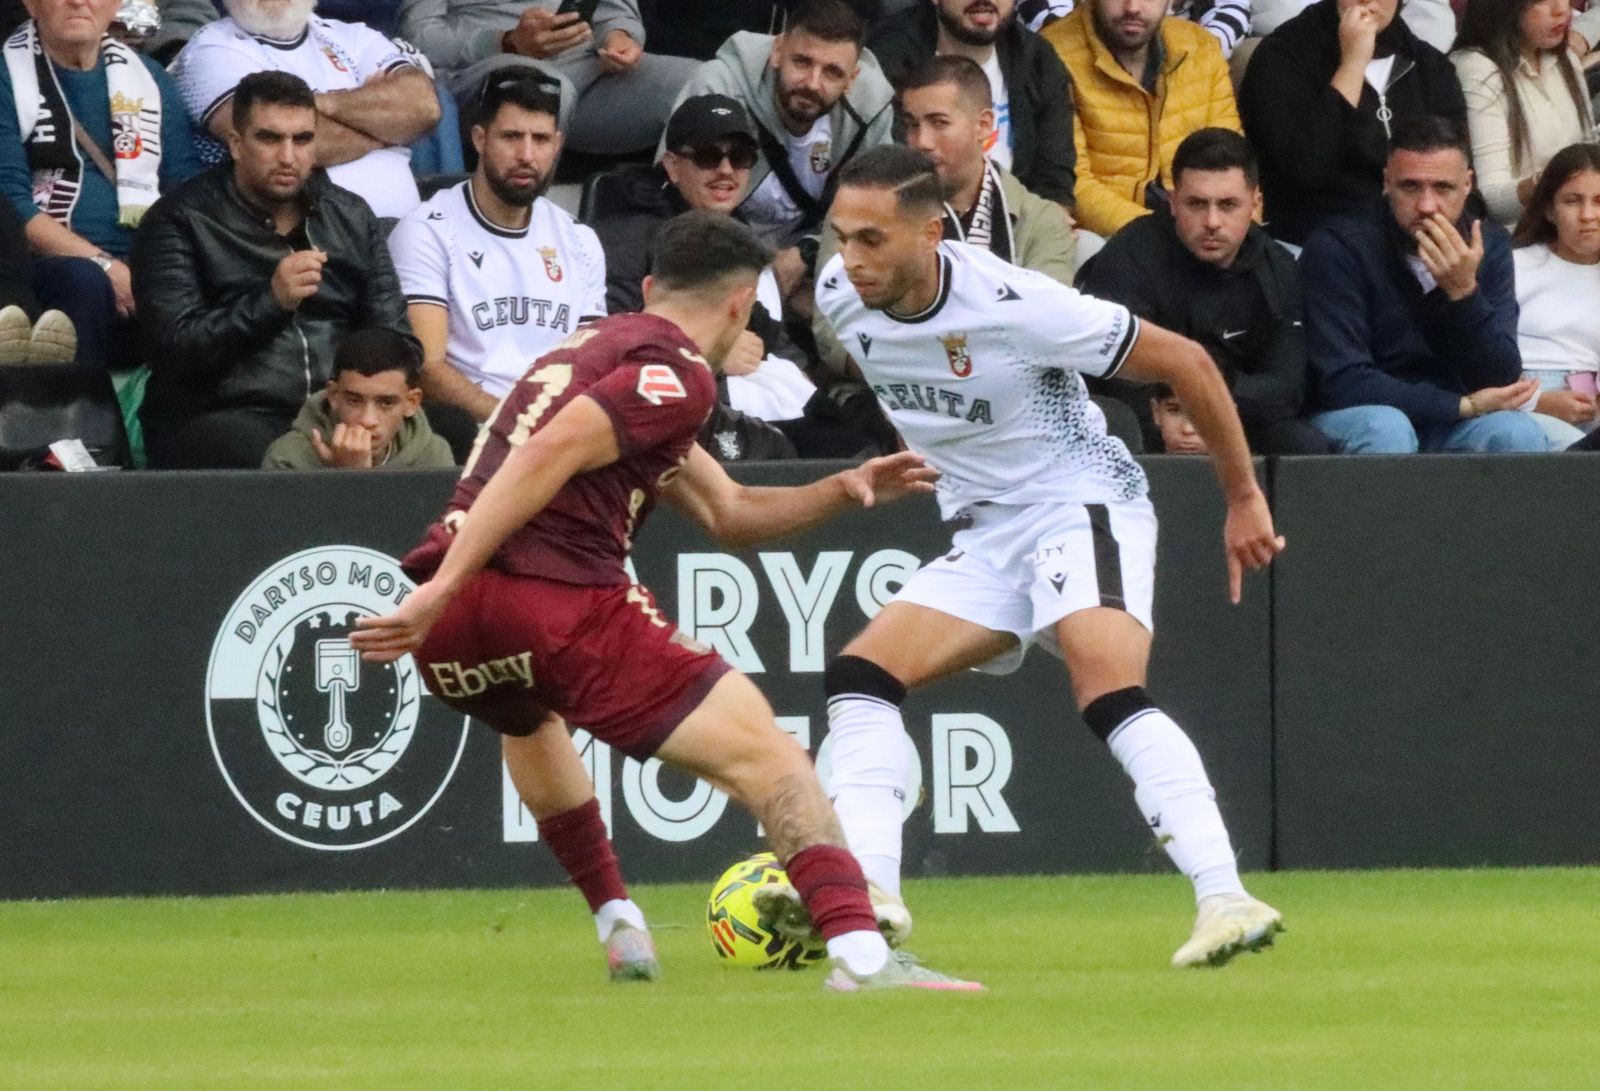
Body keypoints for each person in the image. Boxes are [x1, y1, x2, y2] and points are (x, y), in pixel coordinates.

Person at [348, 210, 980, 993]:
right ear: (742, 305)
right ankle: (862, 955)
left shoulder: (589, 352)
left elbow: (729, 514)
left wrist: (841, 491)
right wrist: (443, 583)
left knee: (527, 714)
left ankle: (618, 921)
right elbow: (553, 450)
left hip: (456, 630)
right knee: (775, 762)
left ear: (649, 289)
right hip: (544, 597)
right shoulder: (680, 372)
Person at [807, 145, 1286, 969]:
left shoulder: (1015, 302)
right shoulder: (839, 296)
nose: (850, 259)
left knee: (1104, 687)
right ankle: (873, 899)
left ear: (931, 234)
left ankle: (1226, 895)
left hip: (1079, 499)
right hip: (987, 528)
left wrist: (1241, 496)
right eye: (841, 237)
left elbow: (1187, 361)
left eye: (872, 240)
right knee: (860, 677)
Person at [133, 71, 415, 469]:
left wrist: (367, 411)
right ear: (235, 143)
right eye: (269, 138)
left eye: (302, 139)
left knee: (454, 430)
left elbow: (396, 337)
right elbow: (174, 350)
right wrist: (271, 302)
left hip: (339, 409)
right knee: (250, 446)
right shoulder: (180, 220)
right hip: (225, 415)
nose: (288, 156)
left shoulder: (351, 216)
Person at [386, 71, 606, 460]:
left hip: (558, 435)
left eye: (540, 140)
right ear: (479, 139)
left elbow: (589, 364)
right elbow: (428, 369)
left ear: (557, 145)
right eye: (511, 137)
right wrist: (519, 421)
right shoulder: (426, 231)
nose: (526, 155)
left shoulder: (579, 240)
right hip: (470, 431)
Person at [1299, 115, 1547, 453]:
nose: (1427, 206)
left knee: (1517, 433)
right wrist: (1461, 406)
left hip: (1455, 421)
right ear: (1387, 182)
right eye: (1410, 187)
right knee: (1388, 429)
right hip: (1362, 415)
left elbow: (1501, 376)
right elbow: (1341, 381)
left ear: (1467, 185)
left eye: (1442, 187)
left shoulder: (1490, 244)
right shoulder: (1338, 246)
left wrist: (1464, 294)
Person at [1078, 128, 1333, 454]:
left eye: (1228, 204)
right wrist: (1186, 416)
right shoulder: (1129, 257)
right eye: (1197, 204)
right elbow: (1122, 382)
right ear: (1172, 203)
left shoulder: (1277, 266)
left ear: (1256, 204)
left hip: (1237, 421)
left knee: (1302, 444)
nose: (1212, 221)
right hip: (1151, 429)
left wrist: (1206, 405)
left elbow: (1287, 389)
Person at [590, 94, 817, 434]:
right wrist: (708, 352)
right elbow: (610, 339)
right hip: (667, 411)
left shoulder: (747, 243)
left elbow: (775, 340)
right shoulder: (625, 238)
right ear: (672, 165)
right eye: (708, 156)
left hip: (750, 410)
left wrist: (797, 371)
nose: (725, 170)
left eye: (739, 157)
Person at [0, 0, 201, 373]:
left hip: (148, 263)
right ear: (30, 4)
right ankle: (73, 424)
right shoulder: (6, 76)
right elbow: (10, 204)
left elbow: (186, 193)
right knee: (83, 281)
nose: (79, 2)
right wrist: (106, 267)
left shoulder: (150, 80)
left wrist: (161, 271)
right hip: (47, 268)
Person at [665, 0, 894, 261]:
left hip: (811, 261)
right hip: (712, 249)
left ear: (852, 79)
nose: (812, 83)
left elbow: (872, 209)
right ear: (777, 51)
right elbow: (674, 190)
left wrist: (806, 256)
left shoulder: (870, 110)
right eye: (802, 62)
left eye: (832, 72)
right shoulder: (720, 86)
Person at [171, 0, 440, 220]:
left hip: (401, 236)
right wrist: (385, 130)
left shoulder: (353, 36)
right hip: (291, 242)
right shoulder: (211, 48)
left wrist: (326, 102)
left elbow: (424, 108)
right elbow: (285, 143)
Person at [1239, 0, 1468, 247]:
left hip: (1416, 239)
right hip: (1316, 240)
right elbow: (1306, 170)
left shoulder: (1428, 65)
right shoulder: (1282, 56)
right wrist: (1352, 65)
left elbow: (1458, 170)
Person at [1042, 0, 1242, 244]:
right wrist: (1171, 235)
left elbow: (1234, 165)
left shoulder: (1201, 48)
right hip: (1110, 237)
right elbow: (1074, 184)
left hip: (1202, 230)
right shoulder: (1051, 55)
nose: (1132, 7)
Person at [399, 0, 696, 157]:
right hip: (483, 71)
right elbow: (418, 38)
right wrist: (507, 41)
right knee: (546, 87)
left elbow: (616, 12)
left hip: (589, 65)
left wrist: (619, 36)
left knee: (700, 81)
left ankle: (697, 239)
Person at [865, 0, 1077, 208]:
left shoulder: (1037, 59)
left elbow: (1055, 183)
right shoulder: (890, 57)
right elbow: (882, 173)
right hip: (916, 216)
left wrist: (1047, 227)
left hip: (1016, 223)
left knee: (1087, 243)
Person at [1451, 0, 1592, 228]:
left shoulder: (1566, 58)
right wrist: (1553, 179)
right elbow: (1493, 201)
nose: (1561, 9)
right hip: (1521, 240)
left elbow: (1589, 152)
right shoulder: (1477, 68)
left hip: (1576, 230)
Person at [260, 326, 455, 468]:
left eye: (386, 403)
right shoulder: (288, 458)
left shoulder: (433, 457)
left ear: (411, 402)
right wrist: (349, 476)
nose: (367, 420)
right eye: (354, 400)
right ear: (334, 395)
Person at [1510, 141, 1600, 447]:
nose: (1588, 215)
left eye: (1599, 201)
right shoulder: (1515, 266)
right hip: (1526, 401)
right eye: (1572, 201)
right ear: (1549, 209)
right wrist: (1537, 400)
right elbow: (1482, 359)